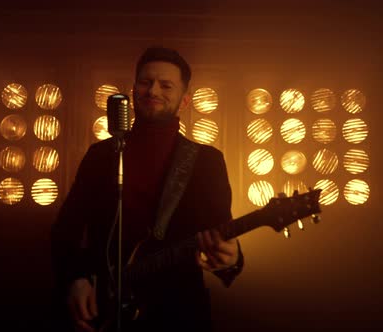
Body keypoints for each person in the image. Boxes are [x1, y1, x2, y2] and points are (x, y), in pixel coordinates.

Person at [50, 46, 244, 332]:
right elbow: (66, 229)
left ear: (185, 100)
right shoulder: (101, 155)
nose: (153, 90)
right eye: (145, 82)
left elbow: (219, 233)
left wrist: (232, 258)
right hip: (106, 310)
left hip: (178, 313)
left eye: (166, 85)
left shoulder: (206, 161)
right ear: (133, 90)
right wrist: (75, 280)